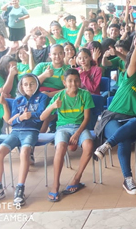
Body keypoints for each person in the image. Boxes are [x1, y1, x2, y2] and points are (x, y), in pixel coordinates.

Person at [92, 43, 136, 195]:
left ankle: (107, 145)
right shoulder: (131, 79)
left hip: (131, 123)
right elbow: (132, 62)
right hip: (111, 118)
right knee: (124, 140)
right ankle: (128, 179)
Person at [0, 74, 50, 206]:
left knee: (24, 152)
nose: (29, 87)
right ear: (21, 86)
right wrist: (21, 118)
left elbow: (42, 115)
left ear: (36, 84)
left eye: (32, 83)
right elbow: (12, 121)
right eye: (25, 84)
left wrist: (29, 115)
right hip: (16, 132)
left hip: (31, 131)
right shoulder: (17, 100)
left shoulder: (43, 97)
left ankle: (20, 188)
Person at [40, 69, 95, 202]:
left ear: (80, 81)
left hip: (80, 127)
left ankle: (77, 178)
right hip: (62, 128)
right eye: (70, 81)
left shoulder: (85, 95)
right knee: (60, 147)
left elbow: (86, 118)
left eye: (76, 80)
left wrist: (77, 134)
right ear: (64, 83)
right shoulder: (59, 96)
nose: (73, 83)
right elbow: (42, 117)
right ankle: (55, 184)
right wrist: (52, 106)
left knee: (89, 145)